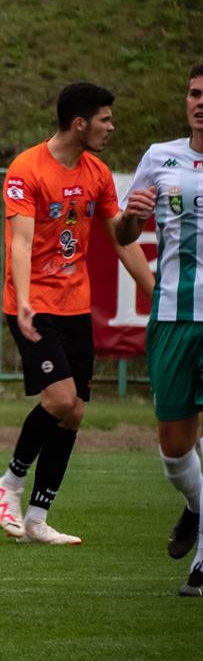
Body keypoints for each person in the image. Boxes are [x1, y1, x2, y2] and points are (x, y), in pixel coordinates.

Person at [0, 82, 153, 544]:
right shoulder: (27, 168)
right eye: (105, 119)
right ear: (80, 123)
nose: (111, 127)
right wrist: (24, 298)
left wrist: (158, 294)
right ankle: (10, 483)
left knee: (74, 412)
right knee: (60, 400)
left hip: (75, 306)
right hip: (32, 305)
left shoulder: (97, 172)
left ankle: (37, 519)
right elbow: (21, 242)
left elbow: (122, 239)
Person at [114, 62, 203, 595]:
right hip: (172, 317)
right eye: (194, 93)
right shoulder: (160, 157)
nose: (200, 102)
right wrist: (133, 216)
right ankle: (197, 504)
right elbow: (124, 232)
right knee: (174, 451)